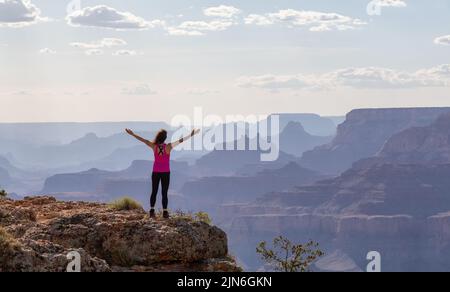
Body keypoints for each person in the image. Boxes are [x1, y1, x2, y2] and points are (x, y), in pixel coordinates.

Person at [125, 128, 200, 219]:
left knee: (154, 191)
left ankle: (152, 211)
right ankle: (165, 212)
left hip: (156, 172)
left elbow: (143, 140)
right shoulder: (169, 146)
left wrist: (132, 134)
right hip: (165, 173)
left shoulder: (154, 146)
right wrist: (191, 135)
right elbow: (181, 140)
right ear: (165, 138)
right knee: (164, 193)